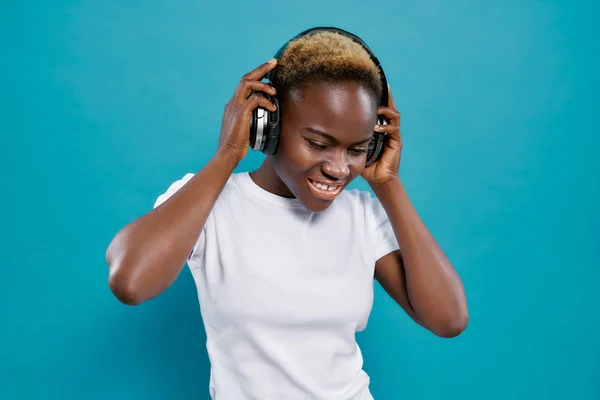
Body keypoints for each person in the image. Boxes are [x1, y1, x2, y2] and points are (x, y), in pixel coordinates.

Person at [105, 27, 469, 400]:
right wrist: (228, 152)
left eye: (358, 149)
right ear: (268, 127)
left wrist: (388, 184)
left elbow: (448, 320)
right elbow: (131, 282)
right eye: (318, 143)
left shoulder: (364, 217)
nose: (339, 168)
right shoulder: (209, 203)